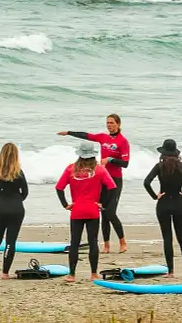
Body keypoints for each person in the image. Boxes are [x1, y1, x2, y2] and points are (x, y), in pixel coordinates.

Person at [57, 115, 130, 254]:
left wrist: (110, 159)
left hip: (114, 180)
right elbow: (86, 136)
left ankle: (122, 242)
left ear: (118, 124)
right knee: (102, 212)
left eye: (112, 123)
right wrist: (69, 133)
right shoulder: (103, 137)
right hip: (100, 179)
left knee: (110, 212)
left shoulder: (123, 141)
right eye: (107, 123)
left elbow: (125, 164)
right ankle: (107, 245)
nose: (109, 125)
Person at [55, 142, 116, 282]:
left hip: (76, 210)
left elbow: (59, 188)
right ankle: (93, 274)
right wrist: (104, 204)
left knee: (74, 242)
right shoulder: (100, 170)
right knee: (93, 241)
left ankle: (72, 274)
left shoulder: (71, 169)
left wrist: (65, 204)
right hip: (93, 209)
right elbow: (112, 188)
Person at [144, 139, 182, 277]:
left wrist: (154, 196)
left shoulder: (159, 166)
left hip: (163, 204)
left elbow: (146, 182)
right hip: (178, 204)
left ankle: (171, 272)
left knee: (167, 239)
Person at [0, 143, 28, 279]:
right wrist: (16, 200)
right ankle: (5, 273)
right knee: (10, 242)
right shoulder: (19, 172)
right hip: (16, 209)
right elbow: (25, 192)